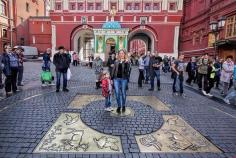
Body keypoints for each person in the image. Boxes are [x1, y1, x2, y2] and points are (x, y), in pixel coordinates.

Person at [111, 49, 130, 114]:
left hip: (124, 79)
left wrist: (126, 63)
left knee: (123, 93)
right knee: (117, 93)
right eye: (120, 53)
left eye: (122, 53)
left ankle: (123, 105)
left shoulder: (127, 62)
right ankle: (119, 106)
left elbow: (127, 71)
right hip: (116, 79)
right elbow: (113, 70)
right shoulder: (116, 61)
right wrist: (111, 79)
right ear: (118, 54)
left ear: (124, 54)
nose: (121, 54)